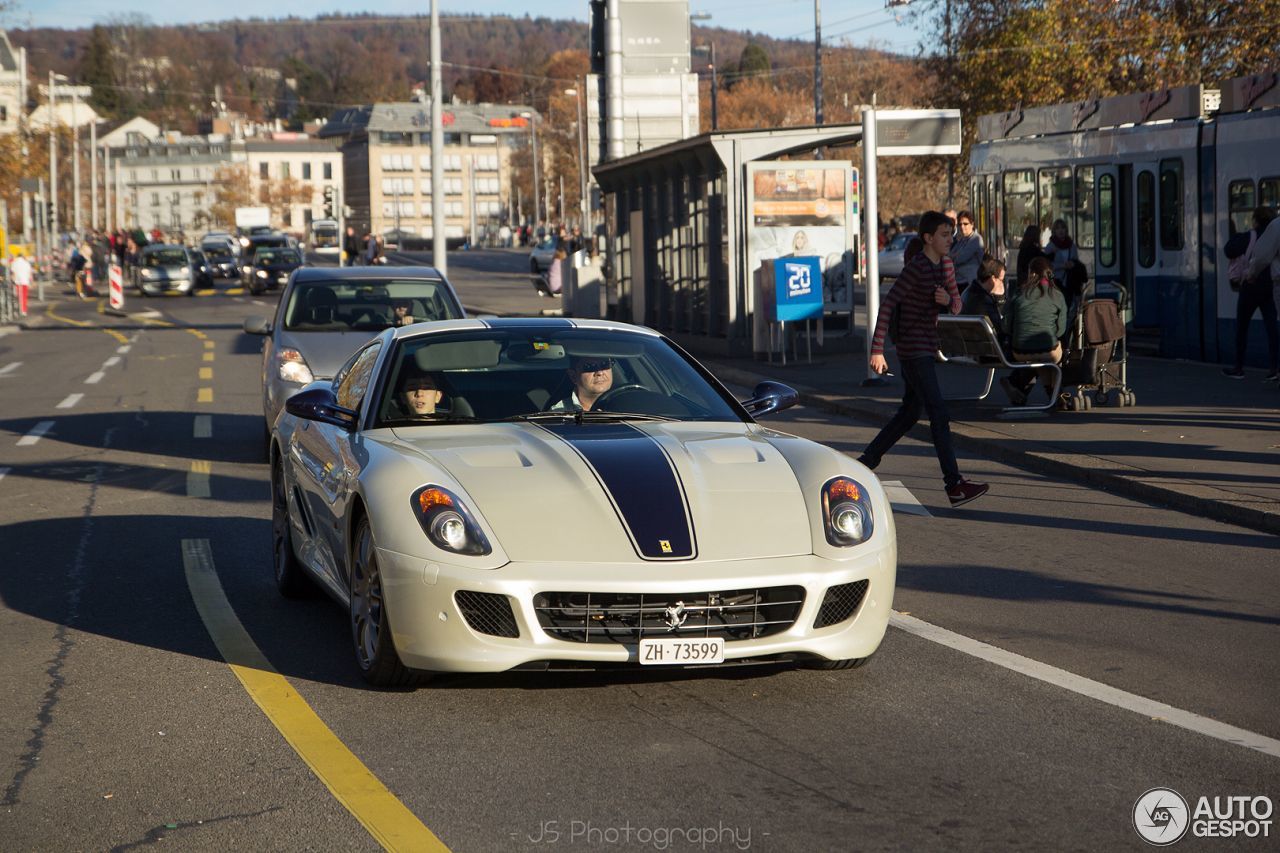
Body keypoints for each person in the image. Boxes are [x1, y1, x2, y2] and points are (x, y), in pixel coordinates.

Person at [859, 210, 990, 508]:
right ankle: (954, 485)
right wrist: (877, 350)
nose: (951, 239)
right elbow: (889, 304)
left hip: (927, 347)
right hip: (912, 348)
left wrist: (948, 301)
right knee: (938, 412)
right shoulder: (917, 268)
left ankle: (866, 461)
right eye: (945, 235)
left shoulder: (945, 265)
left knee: (909, 413)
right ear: (928, 238)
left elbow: (958, 303)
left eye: (952, 234)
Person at [1005, 257, 1068, 402]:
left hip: (1019, 351)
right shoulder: (1057, 295)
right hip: (1049, 350)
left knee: (1037, 354)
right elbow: (1060, 331)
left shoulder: (1019, 293)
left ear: (1032, 274)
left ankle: (1019, 386)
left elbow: (1006, 326)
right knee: (1046, 352)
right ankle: (1056, 394)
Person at [1226, 206, 1279, 380]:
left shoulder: (1255, 235)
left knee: (1242, 327)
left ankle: (1239, 367)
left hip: (1251, 285)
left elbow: (1230, 249)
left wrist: (1251, 274)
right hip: (1269, 287)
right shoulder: (1274, 229)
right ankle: (1274, 368)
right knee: (1272, 328)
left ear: (1255, 219)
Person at [549, 355, 614, 412]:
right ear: (573, 376)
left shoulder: (623, 405)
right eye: (590, 366)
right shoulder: (558, 413)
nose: (600, 372)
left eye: (605, 364)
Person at [949, 210, 985, 289]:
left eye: (965, 224)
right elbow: (949, 256)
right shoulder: (962, 240)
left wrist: (954, 256)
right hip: (959, 282)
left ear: (972, 224)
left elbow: (960, 258)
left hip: (969, 283)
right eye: (960, 224)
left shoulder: (976, 239)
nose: (962, 227)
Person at [1044, 219, 1079, 285]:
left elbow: (1076, 262)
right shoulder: (1050, 246)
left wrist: (1072, 264)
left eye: (1063, 227)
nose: (1060, 230)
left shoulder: (1071, 245)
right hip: (1055, 282)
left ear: (1066, 230)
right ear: (1054, 231)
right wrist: (1062, 266)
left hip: (1070, 281)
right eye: (1057, 228)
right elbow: (1046, 266)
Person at [11, 252, 32, 316]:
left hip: (17, 282)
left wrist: (13, 281)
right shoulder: (27, 263)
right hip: (25, 282)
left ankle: (18, 310)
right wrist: (31, 282)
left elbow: (13, 273)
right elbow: (30, 273)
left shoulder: (14, 263)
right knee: (24, 297)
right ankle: (23, 311)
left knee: (18, 297)